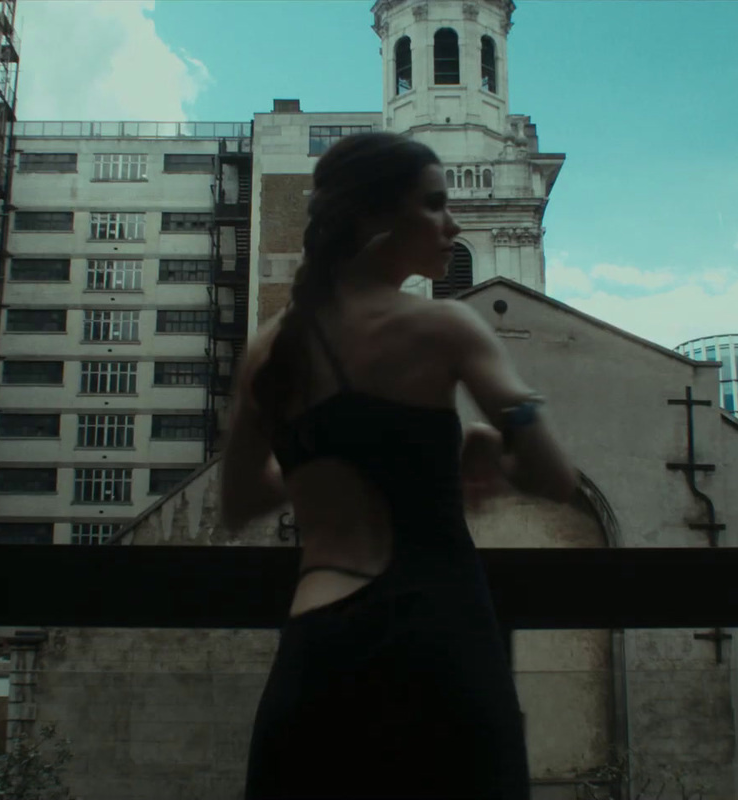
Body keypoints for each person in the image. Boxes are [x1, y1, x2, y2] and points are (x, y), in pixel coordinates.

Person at [220, 131, 579, 799]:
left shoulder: (270, 347)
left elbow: (240, 500)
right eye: (435, 205)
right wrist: (484, 437)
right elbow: (554, 478)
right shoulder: (442, 327)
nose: (451, 224)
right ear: (376, 217)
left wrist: (314, 471)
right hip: (435, 637)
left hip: (316, 649)